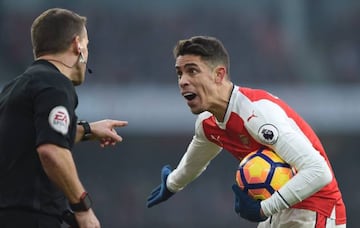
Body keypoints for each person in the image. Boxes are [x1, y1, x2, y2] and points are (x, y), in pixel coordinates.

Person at [146, 36, 346, 227]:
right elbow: (195, 161)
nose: (182, 81)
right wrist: (172, 184)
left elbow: (319, 172)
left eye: (192, 71)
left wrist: (263, 209)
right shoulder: (208, 124)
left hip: (317, 210)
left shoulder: (256, 113)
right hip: (279, 210)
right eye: (179, 73)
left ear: (219, 75)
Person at [0, 8, 128, 228]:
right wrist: (83, 208)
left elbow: (30, 136)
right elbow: (51, 150)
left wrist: (87, 130)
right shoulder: (56, 84)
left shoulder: (13, 88)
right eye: (87, 47)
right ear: (77, 44)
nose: (86, 56)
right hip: (32, 217)